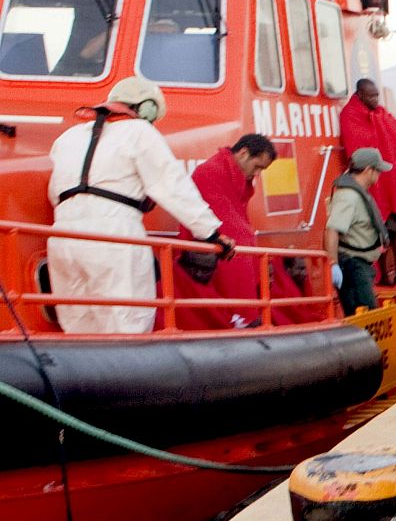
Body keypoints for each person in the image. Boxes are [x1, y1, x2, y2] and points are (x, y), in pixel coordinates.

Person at [46, 76, 233, 334]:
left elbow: (55, 192)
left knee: (78, 325)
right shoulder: (140, 132)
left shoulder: (67, 138)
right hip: (113, 234)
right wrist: (211, 232)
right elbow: (173, 186)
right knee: (127, 321)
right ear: (146, 108)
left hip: (61, 237)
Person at [174, 134, 278, 330]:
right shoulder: (211, 172)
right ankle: (242, 316)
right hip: (214, 259)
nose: (256, 174)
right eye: (257, 167)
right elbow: (230, 228)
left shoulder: (224, 173)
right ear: (243, 153)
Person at [339, 79, 396, 286]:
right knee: (380, 232)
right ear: (360, 95)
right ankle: (385, 276)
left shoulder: (382, 114)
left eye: (376, 95)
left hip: (393, 183)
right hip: (376, 187)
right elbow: (357, 148)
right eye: (370, 96)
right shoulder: (351, 115)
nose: (374, 99)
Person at [324, 147, 390, 315]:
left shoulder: (355, 193)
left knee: (367, 313)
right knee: (366, 315)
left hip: (359, 266)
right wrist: (333, 264)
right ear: (368, 170)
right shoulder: (349, 197)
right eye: (378, 170)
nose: (380, 174)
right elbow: (332, 230)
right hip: (353, 266)